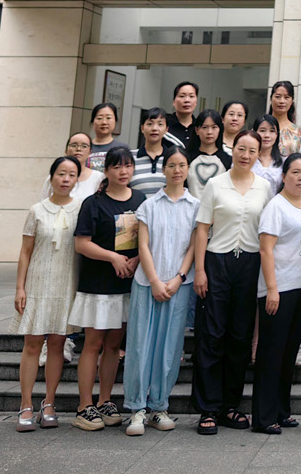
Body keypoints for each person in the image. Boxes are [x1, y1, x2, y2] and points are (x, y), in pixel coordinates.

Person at [192, 130, 271, 435]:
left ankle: (229, 406)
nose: (246, 155)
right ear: (233, 149)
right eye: (241, 148)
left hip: (249, 264)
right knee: (211, 335)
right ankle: (208, 408)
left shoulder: (265, 187)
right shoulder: (215, 184)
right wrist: (200, 270)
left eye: (252, 150)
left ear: (258, 154)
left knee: (239, 337)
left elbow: (267, 231)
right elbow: (202, 229)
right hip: (217, 262)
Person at [123, 147, 199, 437]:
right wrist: (155, 280)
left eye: (182, 165)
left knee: (169, 348)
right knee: (140, 345)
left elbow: (193, 247)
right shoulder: (149, 205)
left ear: (188, 169)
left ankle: (159, 406)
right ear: (164, 169)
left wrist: (179, 277)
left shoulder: (196, 206)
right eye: (171, 165)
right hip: (147, 283)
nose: (177, 170)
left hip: (179, 285)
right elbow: (142, 245)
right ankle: (136, 408)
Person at [70, 145, 144, 431]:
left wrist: (136, 259)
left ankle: (105, 401)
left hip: (126, 284)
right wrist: (113, 257)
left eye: (128, 166)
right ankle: (84, 406)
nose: (123, 171)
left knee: (114, 345)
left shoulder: (140, 199)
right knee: (93, 343)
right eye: (117, 166)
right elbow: (82, 243)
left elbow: (147, 239)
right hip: (98, 285)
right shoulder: (94, 203)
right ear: (107, 170)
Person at [14, 156, 83, 431]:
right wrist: (20, 287)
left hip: (67, 285)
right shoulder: (36, 210)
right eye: (61, 174)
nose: (66, 179)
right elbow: (25, 252)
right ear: (52, 176)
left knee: (57, 344)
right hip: (38, 284)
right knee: (32, 344)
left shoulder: (81, 209)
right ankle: (25, 404)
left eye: (72, 174)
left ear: (77, 179)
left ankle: (49, 403)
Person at [252, 153, 301, 435]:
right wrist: (272, 289)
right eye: (295, 172)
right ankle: (264, 416)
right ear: (284, 176)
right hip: (278, 288)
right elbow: (265, 250)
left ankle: (282, 411)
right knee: (271, 353)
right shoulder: (276, 207)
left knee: (289, 352)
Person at [42, 132, 100, 201]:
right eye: (74, 145)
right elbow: (44, 201)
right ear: (66, 151)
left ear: (90, 152)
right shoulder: (54, 176)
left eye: (84, 146)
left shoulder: (98, 177)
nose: (78, 149)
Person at [187, 109, 232, 197]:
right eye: (205, 127)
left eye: (214, 127)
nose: (209, 132)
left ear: (220, 130)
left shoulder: (227, 160)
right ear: (197, 130)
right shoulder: (187, 158)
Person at [131, 108, 169, 199]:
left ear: (166, 129)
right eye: (149, 124)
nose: (154, 128)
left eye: (160, 124)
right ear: (142, 128)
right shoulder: (130, 157)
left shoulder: (171, 158)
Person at [268, 81, 301, 158]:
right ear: (271, 99)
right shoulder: (260, 128)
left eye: (286, 97)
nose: (282, 101)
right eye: (278, 96)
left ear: (291, 101)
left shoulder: (299, 132)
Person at [252, 115, 285, 195]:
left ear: (277, 135)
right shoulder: (246, 159)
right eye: (262, 130)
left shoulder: (284, 162)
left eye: (272, 131)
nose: (267, 135)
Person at [165, 81, 199, 153]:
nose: (187, 100)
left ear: (196, 102)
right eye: (182, 96)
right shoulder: (165, 126)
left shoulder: (200, 127)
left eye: (191, 96)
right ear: (174, 101)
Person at [88, 103, 123, 171]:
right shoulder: (85, 147)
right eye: (99, 118)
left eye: (108, 118)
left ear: (115, 121)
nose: (104, 122)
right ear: (92, 122)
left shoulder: (122, 149)